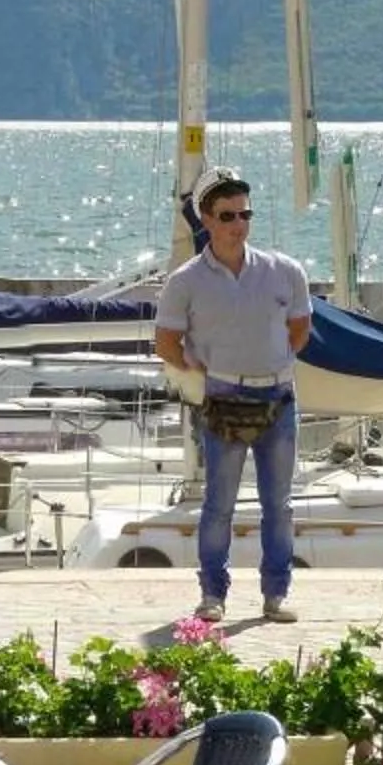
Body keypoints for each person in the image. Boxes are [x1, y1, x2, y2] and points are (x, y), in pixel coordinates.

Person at [152, 169, 312, 624]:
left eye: (245, 214)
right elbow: (166, 343)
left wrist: (271, 360)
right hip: (222, 395)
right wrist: (198, 366)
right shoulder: (185, 281)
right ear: (207, 218)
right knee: (218, 504)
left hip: (278, 396)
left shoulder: (285, 271)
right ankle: (212, 594)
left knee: (278, 504)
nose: (237, 224)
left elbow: (300, 331)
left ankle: (276, 594)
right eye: (227, 215)